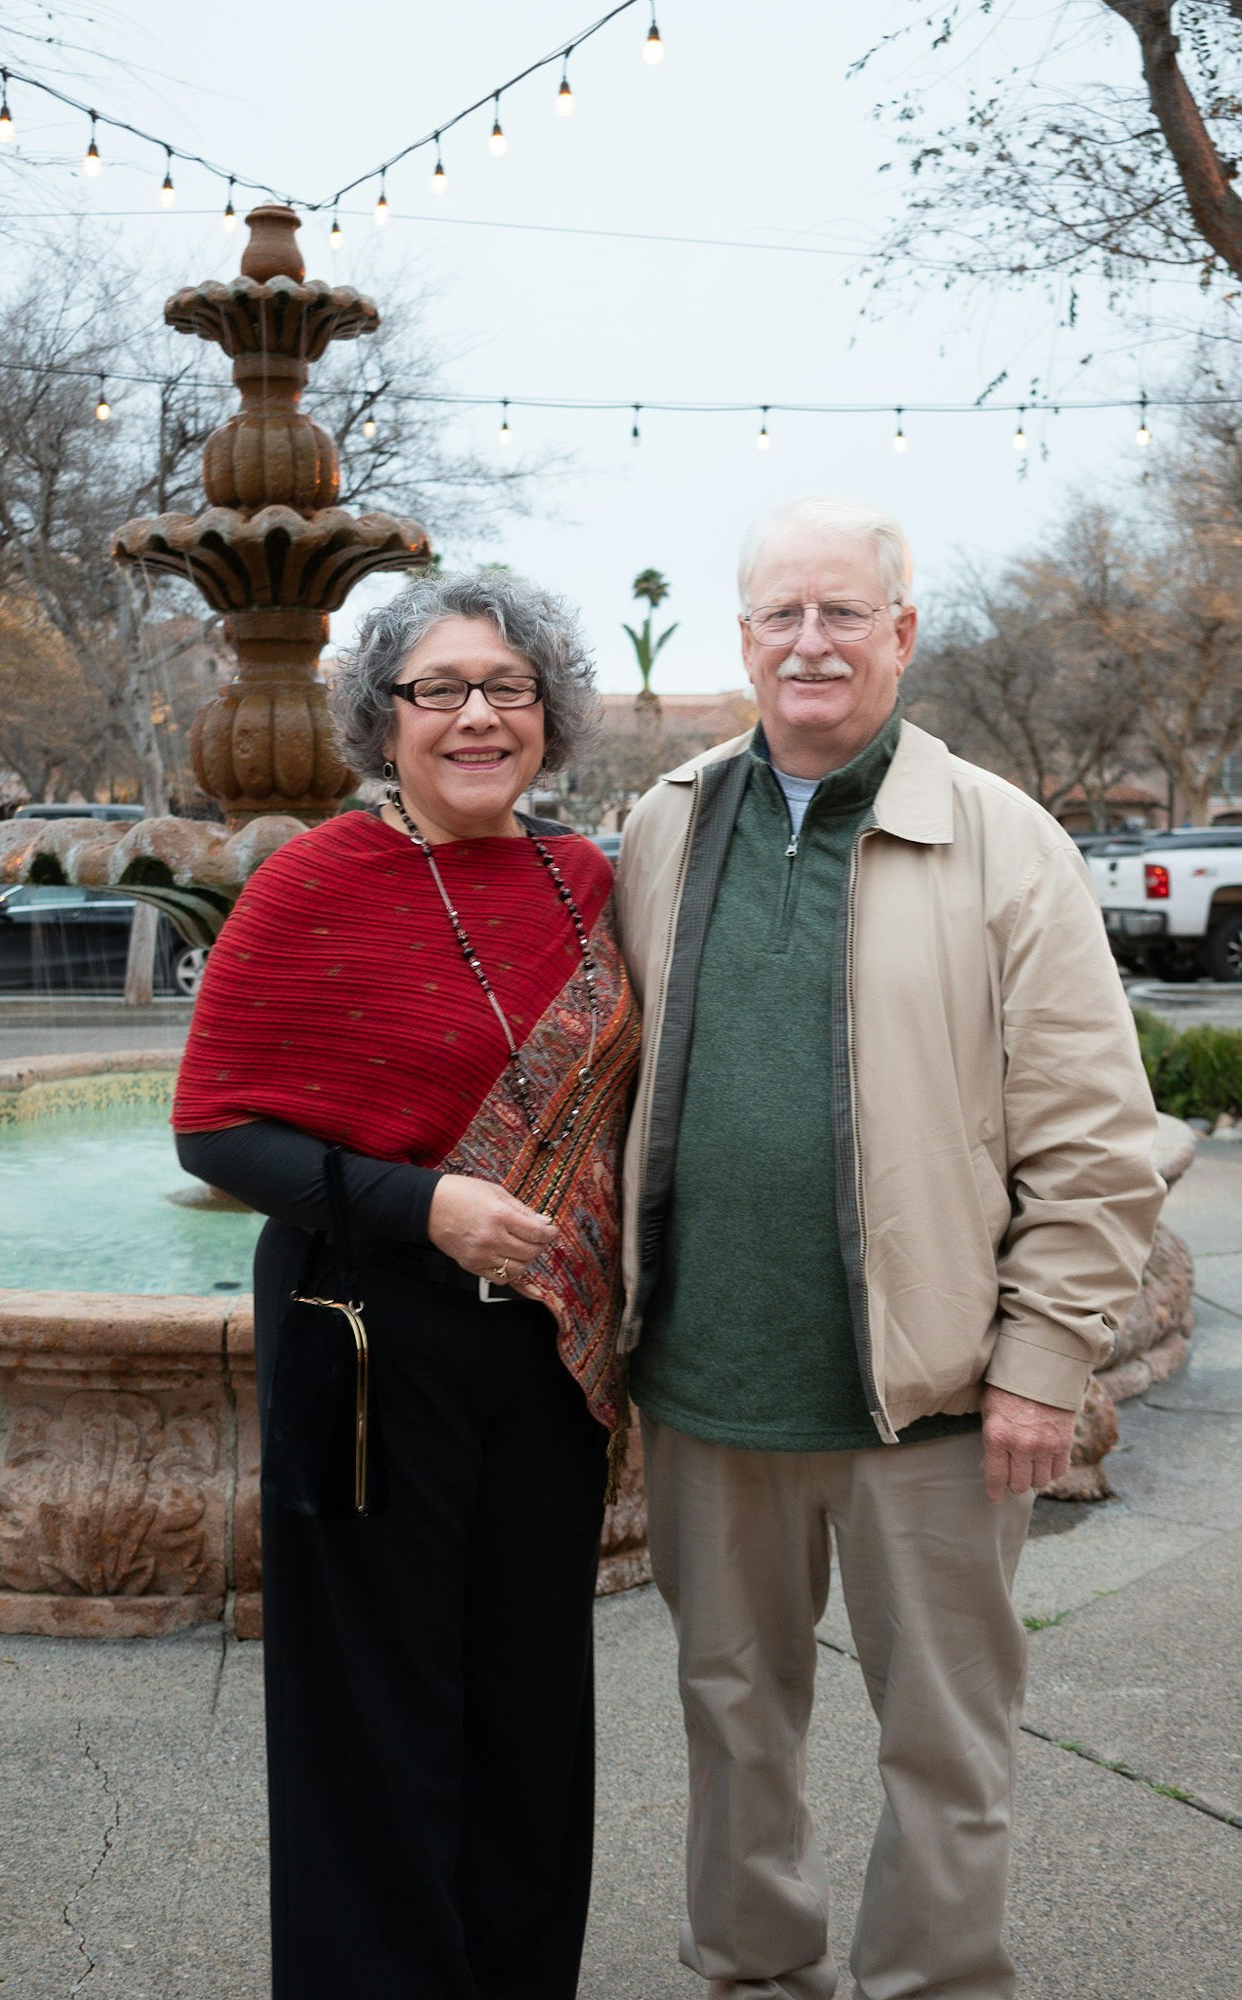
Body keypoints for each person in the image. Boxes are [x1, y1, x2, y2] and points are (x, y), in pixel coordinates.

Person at [614, 496, 1164, 2000]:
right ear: (741, 640)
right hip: (705, 1381)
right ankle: (749, 1968)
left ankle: (929, 1983)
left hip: (926, 1397)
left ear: (901, 635)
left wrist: (1041, 1361)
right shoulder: (663, 823)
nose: (810, 641)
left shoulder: (1002, 839)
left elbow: (1095, 1137)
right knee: (730, 1710)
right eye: (782, 614)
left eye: (843, 612)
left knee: (944, 1732)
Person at [172, 569, 640, 2000]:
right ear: (386, 719)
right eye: (438, 690)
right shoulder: (311, 881)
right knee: (373, 1718)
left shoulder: (587, 883)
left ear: (548, 715)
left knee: (528, 1702)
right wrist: (421, 1205)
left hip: (545, 1368)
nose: (476, 716)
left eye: (506, 688)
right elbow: (213, 1128)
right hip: (368, 1346)